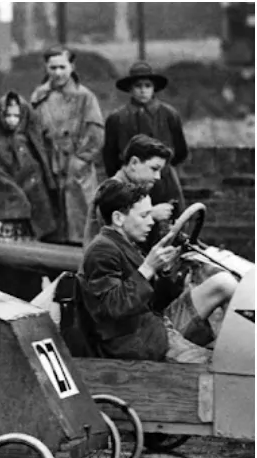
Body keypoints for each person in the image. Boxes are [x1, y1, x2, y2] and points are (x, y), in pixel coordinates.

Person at [90, 135, 238, 328]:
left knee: (217, 274)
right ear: (134, 163)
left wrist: (167, 265)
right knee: (224, 283)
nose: (158, 177)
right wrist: (154, 214)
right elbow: (116, 301)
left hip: (146, 303)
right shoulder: (112, 195)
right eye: (154, 169)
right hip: (140, 321)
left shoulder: (134, 192)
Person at [80, 179, 224, 364]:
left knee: (222, 360)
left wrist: (168, 271)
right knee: (216, 368)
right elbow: (113, 307)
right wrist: (147, 268)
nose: (151, 222)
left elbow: (155, 302)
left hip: (152, 331)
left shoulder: (125, 245)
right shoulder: (102, 250)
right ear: (118, 218)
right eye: (144, 216)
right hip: (135, 343)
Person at [101, 60, 188, 243]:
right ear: (130, 89)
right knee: (136, 228)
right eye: (138, 86)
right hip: (132, 184)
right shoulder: (117, 119)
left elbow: (180, 151)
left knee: (172, 230)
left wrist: (160, 169)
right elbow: (109, 157)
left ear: (154, 88)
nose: (143, 90)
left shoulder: (169, 114)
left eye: (147, 85)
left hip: (165, 183)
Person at [31, 47, 105, 245]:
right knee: (52, 230)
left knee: (81, 226)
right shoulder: (39, 97)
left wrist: (79, 161)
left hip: (77, 171)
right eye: (52, 67)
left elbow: (95, 133)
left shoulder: (85, 97)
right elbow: (32, 132)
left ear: (72, 67)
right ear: (46, 68)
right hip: (49, 169)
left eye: (62, 67)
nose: (57, 73)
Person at [0, 91, 60, 242]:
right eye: (8, 115)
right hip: (2, 203)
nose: (12, 120)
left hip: (30, 205)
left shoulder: (27, 139)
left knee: (28, 248)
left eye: (16, 116)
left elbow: (35, 168)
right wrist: (14, 191)